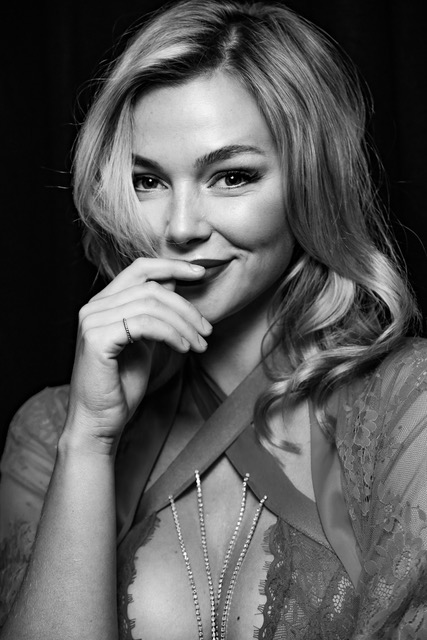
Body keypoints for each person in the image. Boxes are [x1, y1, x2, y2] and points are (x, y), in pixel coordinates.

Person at [1, 0, 427, 637]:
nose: (179, 228)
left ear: (311, 181)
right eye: (148, 181)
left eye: (231, 177)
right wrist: (89, 442)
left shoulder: (405, 402)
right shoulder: (49, 433)